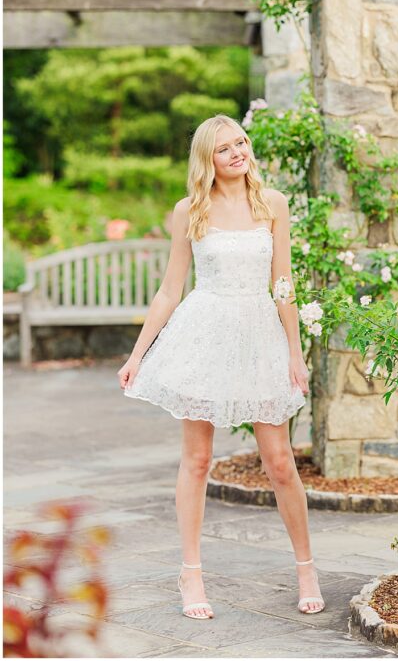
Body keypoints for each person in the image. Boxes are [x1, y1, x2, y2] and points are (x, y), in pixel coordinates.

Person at [119, 115, 324, 620]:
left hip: (260, 335)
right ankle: (191, 575)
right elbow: (171, 289)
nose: (238, 153)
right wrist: (137, 354)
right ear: (206, 159)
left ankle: (306, 567)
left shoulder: (271, 204)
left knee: (279, 461)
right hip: (204, 333)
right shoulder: (189, 210)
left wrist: (295, 352)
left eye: (242, 143)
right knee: (197, 459)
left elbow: (284, 285)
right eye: (225, 148)